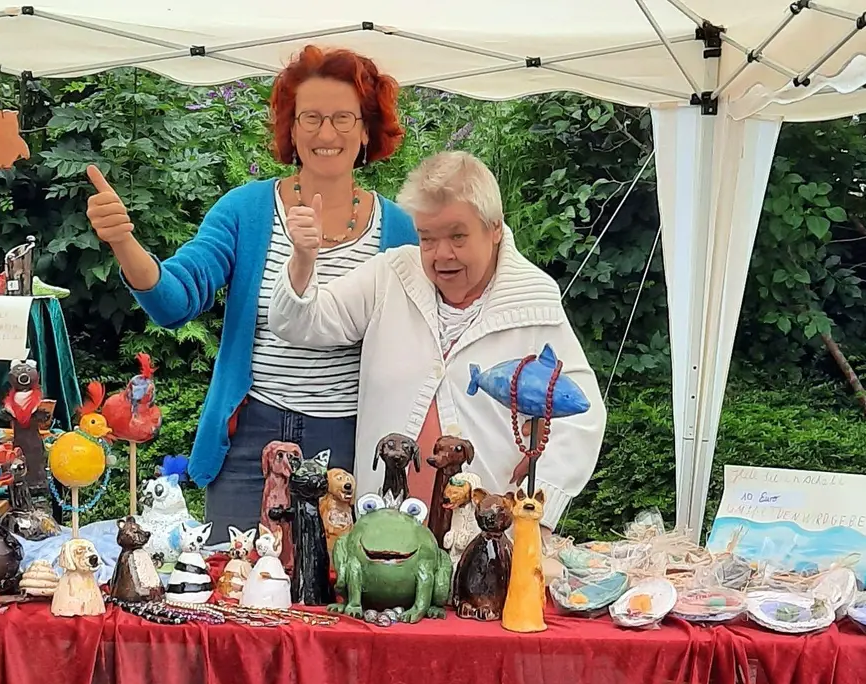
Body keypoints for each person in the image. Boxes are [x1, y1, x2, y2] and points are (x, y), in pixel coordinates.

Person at [85, 46, 416, 533]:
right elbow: (175, 300)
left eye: (344, 118)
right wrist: (123, 242)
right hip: (249, 440)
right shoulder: (245, 211)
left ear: (367, 129)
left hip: (352, 440)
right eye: (310, 118)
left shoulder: (400, 230)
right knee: (234, 573)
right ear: (291, 129)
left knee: (334, 577)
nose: (326, 133)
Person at [269, 151, 606, 534]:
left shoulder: (531, 298)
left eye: (457, 236)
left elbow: (582, 415)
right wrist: (303, 260)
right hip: (381, 537)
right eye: (427, 238)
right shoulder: (391, 274)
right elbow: (298, 323)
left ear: (494, 228)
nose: (442, 254)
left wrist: (539, 505)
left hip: (484, 538)